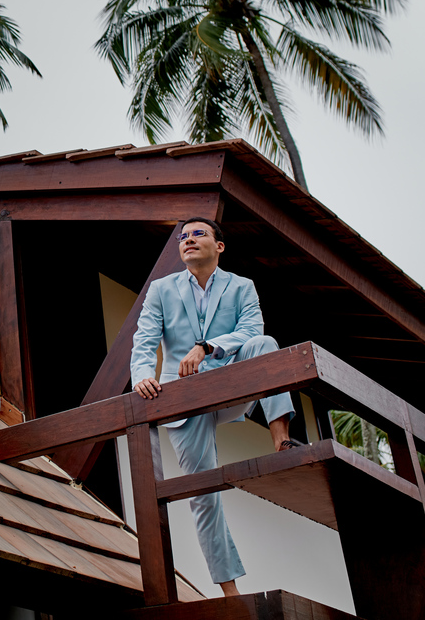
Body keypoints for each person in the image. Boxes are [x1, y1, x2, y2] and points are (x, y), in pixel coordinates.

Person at [130, 217, 297, 596]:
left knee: (265, 345)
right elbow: (144, 340)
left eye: (198, 234)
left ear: (219, 246)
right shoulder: (161, 289)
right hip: (183, 399)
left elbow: (251, 332)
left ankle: (281, 440)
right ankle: (230, 595)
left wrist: (207, 347)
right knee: (202, 495)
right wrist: (141, 376)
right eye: (183, 236)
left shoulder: (241, 286)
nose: (188, 240)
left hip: (230, 384)